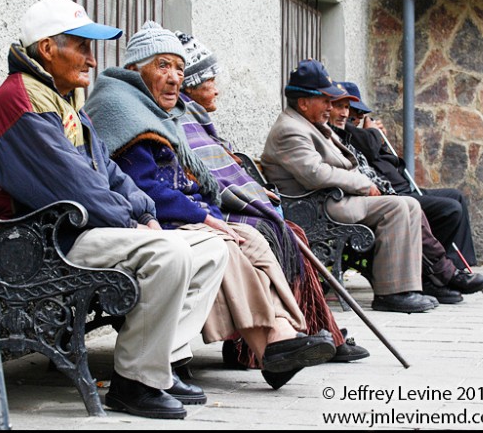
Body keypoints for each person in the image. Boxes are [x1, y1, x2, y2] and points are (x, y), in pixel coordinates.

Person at [0, 0, 230, 420]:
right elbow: (77, 188)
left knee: (212, 248)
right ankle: (134, 383)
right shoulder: (22, 103)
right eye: (82, 47)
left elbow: (107, 169)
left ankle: (162, 362)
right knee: (169, 253)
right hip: (36, 246)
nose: (92, 60)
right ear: (48, 49)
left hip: (73, 232)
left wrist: (144, 214)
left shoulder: (58, 94)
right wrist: (137, 225)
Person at [85, 21, 337, 391]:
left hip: (172, 216)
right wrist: (205, 218)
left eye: (179, 68)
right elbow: (146, 189)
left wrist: (214, 216)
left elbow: (188, 181)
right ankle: (272, 343)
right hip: (147, 222)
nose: (174, 78)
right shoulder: (119, 107)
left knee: (253, 239)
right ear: (136, 69)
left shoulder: (153, 109)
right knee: (227, 246)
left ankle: (284, 334)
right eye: (162, 66)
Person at [173, 31, 370, 365]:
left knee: (285, 231)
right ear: (192, 85)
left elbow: (221, 167)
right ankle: (255, 346)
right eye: (210, 79)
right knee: (275, 231)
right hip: (210, 211)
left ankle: (312, 331)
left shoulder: (196, 117)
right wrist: (247, 194)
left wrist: (251, 190)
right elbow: (204, 177)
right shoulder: (181, 119)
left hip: (225, 206)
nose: (217, 87)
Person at [261, 59, 435, 314]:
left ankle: (404, 288)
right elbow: (315, 174)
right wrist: (363, 184)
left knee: (409, 205)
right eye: (327, 101)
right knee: (398, 207)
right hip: (316, 206)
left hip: (330, 199)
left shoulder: (309, 125)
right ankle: (392, 292)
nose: (331, 108)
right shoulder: (290, 129)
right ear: (304, 102)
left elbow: (339, 164)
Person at [328, 90, 483, 303]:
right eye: (343, 109)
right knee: (432, 207)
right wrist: (373, 135)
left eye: (350, 110)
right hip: (358, 199)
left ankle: (448, 272)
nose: (350, 116)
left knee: (451, 198)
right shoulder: (340, 134)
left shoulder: (343, 133)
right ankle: (436, 277)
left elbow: (385, 161)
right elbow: (321, 170)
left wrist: (380, 142)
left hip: (387, 191)